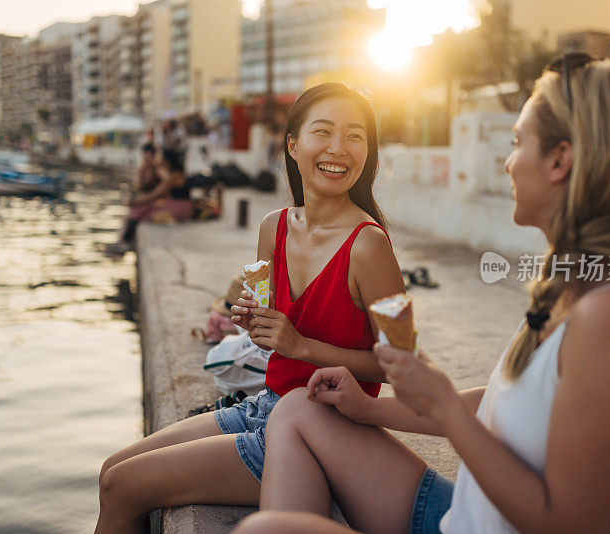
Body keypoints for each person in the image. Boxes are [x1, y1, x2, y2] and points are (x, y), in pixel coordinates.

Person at [233, 56, 610, 534]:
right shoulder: (579, 286)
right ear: (293, 146)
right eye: (322, 132)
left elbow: (573, 523)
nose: (507, 163)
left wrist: (442, 403)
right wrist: (369, 409)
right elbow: (511, 400)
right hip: (464, 510)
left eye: (516, 143)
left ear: (559, 161)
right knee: (299, 410)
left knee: (264, 527)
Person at [94, 82, 406, 533]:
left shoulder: (371, 247)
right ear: (294, 145)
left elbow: (406, 365)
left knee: (122, 486)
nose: (339, 148)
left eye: (356, 135)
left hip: (322, 432)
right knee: (110, 470)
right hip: (265, 406)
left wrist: (302, 346)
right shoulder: (272, 227)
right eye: (324, 132)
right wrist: (250, 316)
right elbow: (264, 312)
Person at [107, 143, 191, 255]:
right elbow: (138, 188)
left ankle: (124, 241)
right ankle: (124, 241)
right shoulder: (164, 172)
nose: (158, 159)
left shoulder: (171, 175)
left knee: (137, 213)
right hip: (175, 206)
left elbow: (156, 194)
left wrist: (137, 202)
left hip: (178, 209)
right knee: (136, 212)